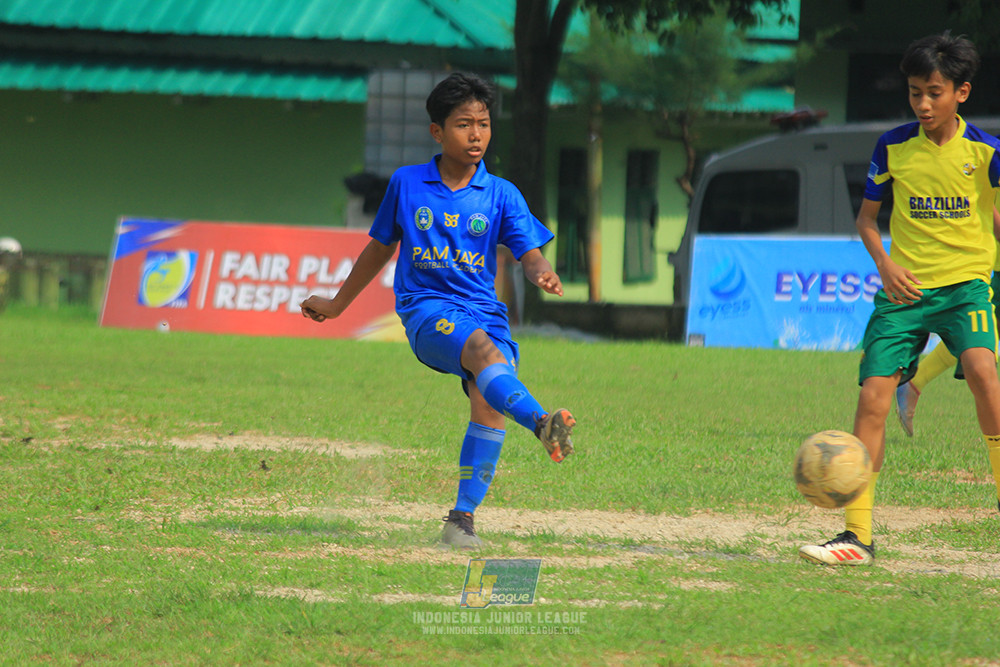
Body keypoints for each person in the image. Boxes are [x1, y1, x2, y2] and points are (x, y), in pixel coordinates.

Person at [299, 72, 575, 550]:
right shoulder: (408, 184)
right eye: (464, 124)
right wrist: (338, 304)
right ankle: (539, 422)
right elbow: (378, 249)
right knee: (482, 350)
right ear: (437, 131)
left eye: (484, 124)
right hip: (426, 309)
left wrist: (541, 271)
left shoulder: (502, 193)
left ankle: (460, 520)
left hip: (485, 312)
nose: (476, 135)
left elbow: (529, 253)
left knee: (489, 402)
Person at [800, 32, 1000, 566]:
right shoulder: (892, 147)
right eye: (915, 93)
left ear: (962, 92)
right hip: (903, 289)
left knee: (984, 372)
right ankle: (856, 537)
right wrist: (886, 265)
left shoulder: (988, 152)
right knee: (872, 399)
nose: (923, 104)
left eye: (934, 92)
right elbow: (867, 220)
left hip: (965, 286)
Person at [895, 213, 1000, 438]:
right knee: (981, 342)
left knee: (983, 339)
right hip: (983, 261)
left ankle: (915, 382)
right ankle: (915, 382)